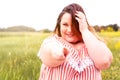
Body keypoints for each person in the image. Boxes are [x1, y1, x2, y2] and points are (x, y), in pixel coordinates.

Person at [37, 3, 113, 80]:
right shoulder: (53, 42)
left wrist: (84, 30)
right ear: (59, 25)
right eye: (65, 25)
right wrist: (58, 53)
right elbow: (47, 55)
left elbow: (104, 62)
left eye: (74, 25)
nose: (70, 30)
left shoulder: (92, 43)